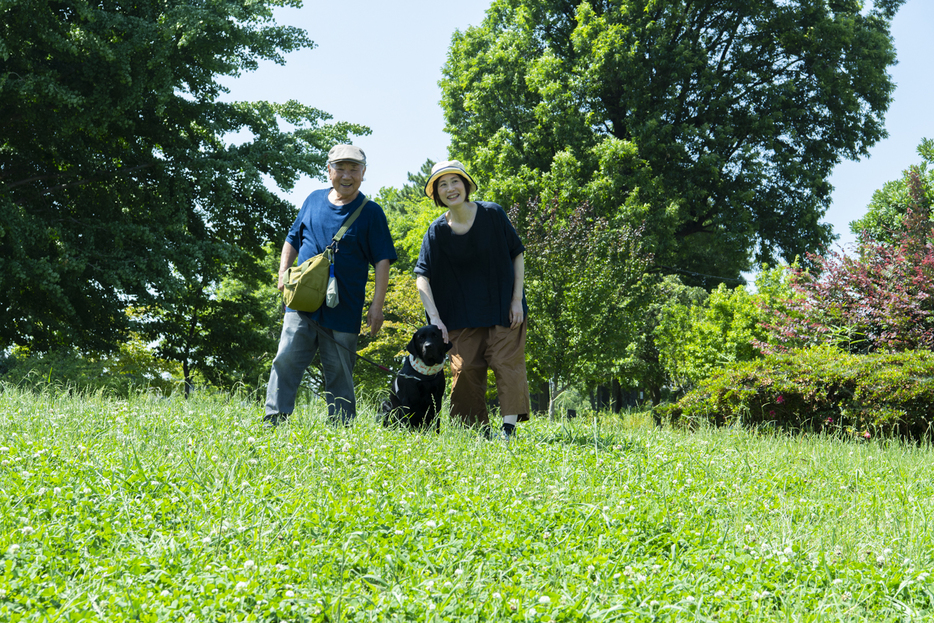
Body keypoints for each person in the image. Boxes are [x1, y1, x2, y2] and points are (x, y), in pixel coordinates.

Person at [264, 145, 396, 427]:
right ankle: (273, 420)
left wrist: (377, 306)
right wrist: (282, 274)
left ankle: (341, 430)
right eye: (340, 168)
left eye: (353, 168)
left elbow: (383, 260)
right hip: (301, 302)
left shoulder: (371, 212)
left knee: (339, 372)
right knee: (285, 361)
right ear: (329, 171)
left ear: (363, 173)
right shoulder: (312, 200)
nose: (346, 175)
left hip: (344, 307)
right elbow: (292, 238)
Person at [414, 160, 530, 439]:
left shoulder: (493, 214)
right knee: (464, 371)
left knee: (506, 365)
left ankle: (508, 431)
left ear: (466, 185)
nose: (450, 188)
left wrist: (516, 300)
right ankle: (477, 432)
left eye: (455, 181)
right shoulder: (436, 231)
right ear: (436, 194)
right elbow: (422, 277)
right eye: (442, 185)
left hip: (503, 308)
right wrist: (436, 320)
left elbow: (517, 253)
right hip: (460, 316)